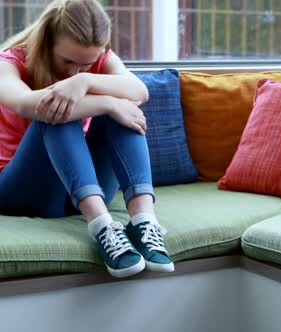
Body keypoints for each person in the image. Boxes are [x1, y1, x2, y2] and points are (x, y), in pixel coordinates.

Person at [0, 0, 174, 278]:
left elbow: (139, 91)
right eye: (67, 61)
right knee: (56, 112)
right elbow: (25, 104)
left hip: (78, 190)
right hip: (18, 190)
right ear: (47, 43)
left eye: (86, 64)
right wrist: (108, 102)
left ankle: (144, 221)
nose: (74, 72)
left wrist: (87, 84)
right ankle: (102, 227)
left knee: (123, 111)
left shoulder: (97, 63)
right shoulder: (10, 62)